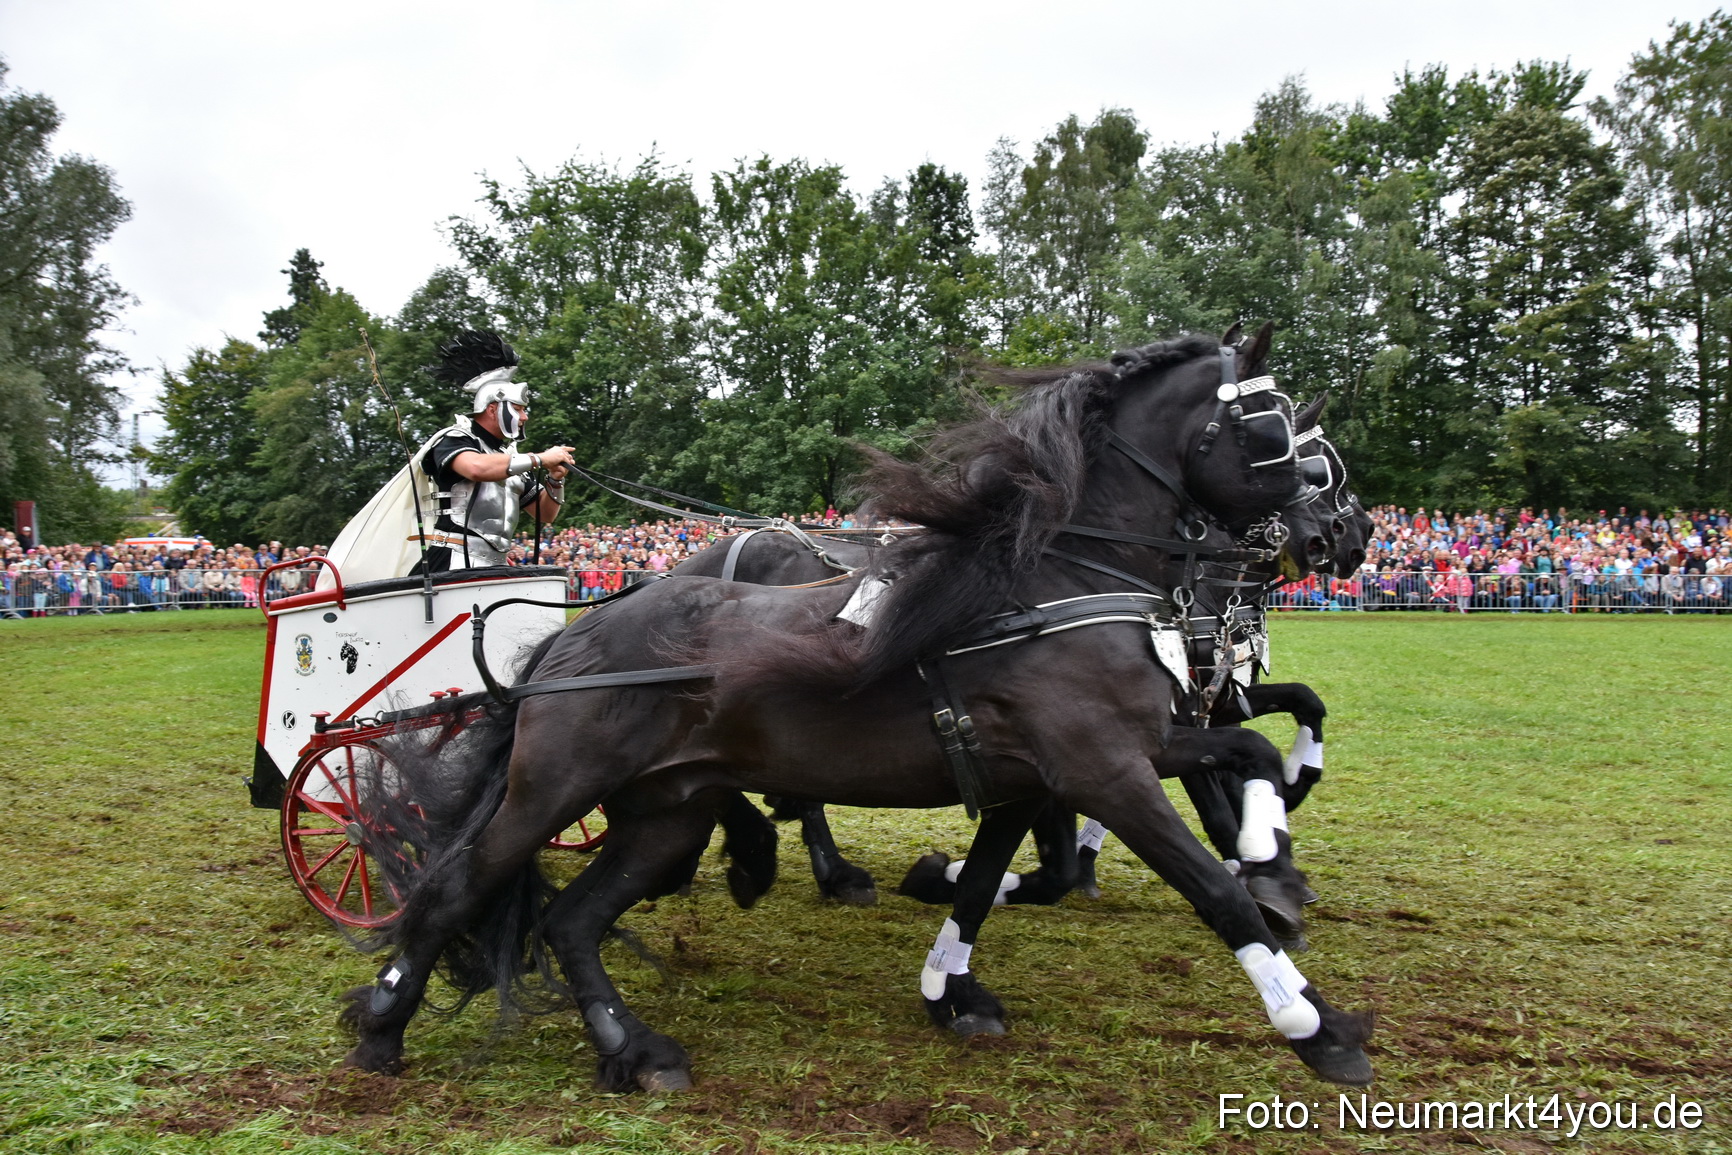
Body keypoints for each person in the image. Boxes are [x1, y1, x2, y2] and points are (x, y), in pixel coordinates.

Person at [412, 331, 577, 573]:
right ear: (492, 409)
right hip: (454, 559)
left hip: (495, 562)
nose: (524, 417)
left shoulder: (509, 457)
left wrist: (555, 479)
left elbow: (545, 514)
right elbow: (475, 468)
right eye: (518, 409)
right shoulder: (455, 439)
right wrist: (540, 458)